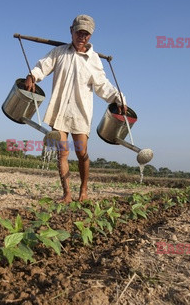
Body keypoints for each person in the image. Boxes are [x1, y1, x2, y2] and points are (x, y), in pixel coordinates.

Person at [25, 15, 127, 203]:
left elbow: (102, 85)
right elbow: (43, 67)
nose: (82, 36)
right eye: (79, 32)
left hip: (81, 112)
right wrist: (32, 75)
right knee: (62, 152)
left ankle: (84, 189)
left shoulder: (94, 60)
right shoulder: (59, 53)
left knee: (81, 153)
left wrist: (118, 98)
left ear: (90, 36)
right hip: (60, 110)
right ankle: (67, 194)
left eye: (86, 34)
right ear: (71, 30)